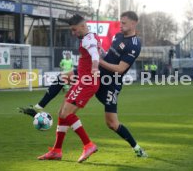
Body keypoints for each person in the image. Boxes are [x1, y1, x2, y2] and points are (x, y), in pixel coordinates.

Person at [19, 11, 148, 158]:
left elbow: (120, 69)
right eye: (121, 22)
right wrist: (99, 57)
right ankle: (42, 117)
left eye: (124, 23)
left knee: (112, 123)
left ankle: (137, 148)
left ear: (133, 23)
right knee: (62, 85)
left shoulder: (134, 45)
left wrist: (97, 61)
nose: (121, 25)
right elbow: (107, 55)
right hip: (95, 74)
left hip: (110, 83)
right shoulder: (117, 36)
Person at [37, 14, 101, 163]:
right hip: (82, 81)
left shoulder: (88, 39)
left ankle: (88, 145)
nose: (73, 33)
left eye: (74, 29)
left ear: (83, 26)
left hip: (87, 82)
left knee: (66, 114)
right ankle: (56, 150)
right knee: (62, 113)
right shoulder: (89, 38)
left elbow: (95, 54)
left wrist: (95, 67)